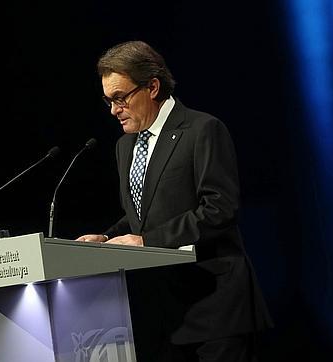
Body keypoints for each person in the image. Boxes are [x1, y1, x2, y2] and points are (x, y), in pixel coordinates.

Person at [76, 40, 273, 361]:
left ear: (152, 87)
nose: (113, 110)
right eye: (108, 101)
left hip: (215, 308)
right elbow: (141, 216)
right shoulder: (125, 147)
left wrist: (146, 241)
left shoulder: (202, 129)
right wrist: (107, 238)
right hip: (165, 314)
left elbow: (219, 209)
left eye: (120, 98)